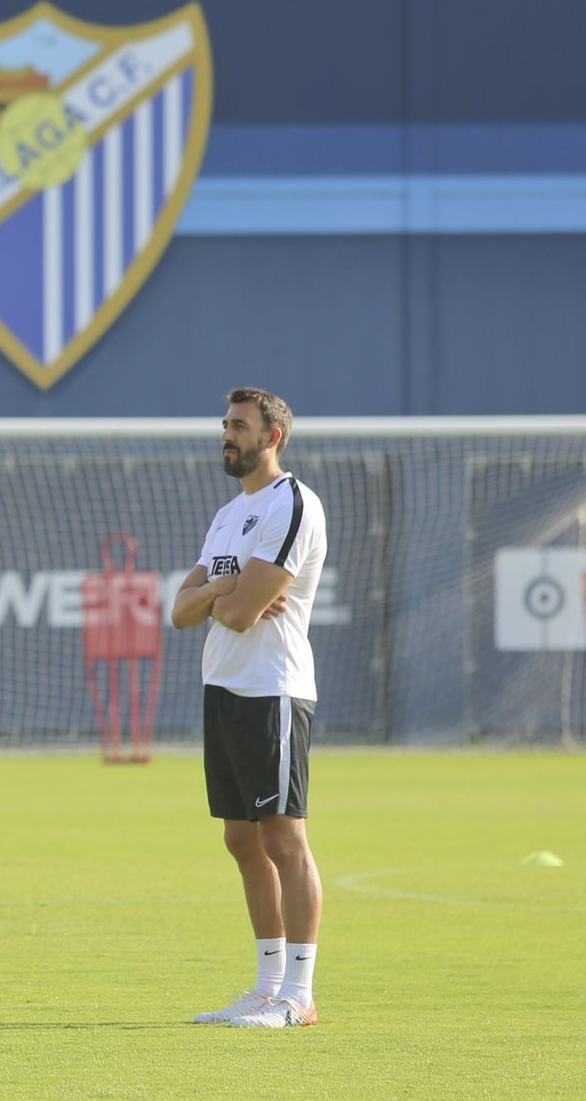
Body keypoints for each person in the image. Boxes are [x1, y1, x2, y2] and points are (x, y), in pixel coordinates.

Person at [170, 388, 328, 1029]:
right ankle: (265, 988)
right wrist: (230, 587)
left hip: (273, 688)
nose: (227, 437)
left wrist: (218, 592)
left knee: (284, 839)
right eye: (225, 426)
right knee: (241, 838)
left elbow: (228, 613)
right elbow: (182, 612)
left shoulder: (293, 504)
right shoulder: (226, 515)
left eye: (239, 426)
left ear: (273, 437)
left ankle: (299, 995)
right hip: (223, 685)